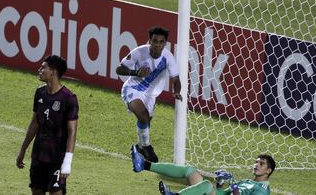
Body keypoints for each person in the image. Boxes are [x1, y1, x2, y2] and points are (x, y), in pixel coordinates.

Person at [116, 26, 182, 163]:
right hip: (133, 89)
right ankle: (147, 147)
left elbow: (176, 79)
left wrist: (176, 92)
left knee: (145, 122)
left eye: (161, 42)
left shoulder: (168, 57)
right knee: (143, 116)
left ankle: (140, 148)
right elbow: (119, 69)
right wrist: (135, 73)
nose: (157, 45)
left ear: (165, 43)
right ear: (149, 41)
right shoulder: (139, 52)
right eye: (155, 41)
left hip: (151, 96)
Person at [16, 55, 79, 195]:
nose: (39, 69)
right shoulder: (39, 93)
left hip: (58, 157)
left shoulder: (69, 98)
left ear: (53, 72)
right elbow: (34, 123)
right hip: (39, 155)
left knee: (56, 193)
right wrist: (23, 149)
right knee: (36, 191)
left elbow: (72, 131)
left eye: (43, 67)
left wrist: (67, 162)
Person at [131, 145, 276, 195]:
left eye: (261, 164)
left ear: (268, 171)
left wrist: (234, 185)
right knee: (191, 171)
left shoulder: (263, 190)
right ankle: (143, 164)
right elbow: (220, 193)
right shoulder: (247, 181)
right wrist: (220, 184)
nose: (256, 165)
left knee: (206, 186)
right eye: (256, 162)